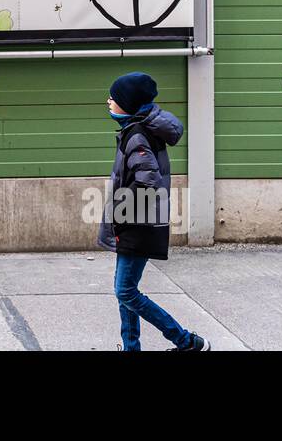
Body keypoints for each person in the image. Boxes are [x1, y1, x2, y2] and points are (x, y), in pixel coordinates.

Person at [96, 71, 210, 352]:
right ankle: (130, 347)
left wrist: (119, 211)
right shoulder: (137, 130)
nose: (109, 100)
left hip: (139, 224)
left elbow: (148, 181)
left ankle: (186, 341)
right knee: (125, 291)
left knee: (125, 291)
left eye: (116, 97)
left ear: (130, 104)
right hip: (136, 222)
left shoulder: (136, 135)